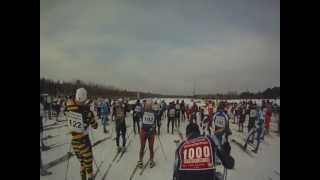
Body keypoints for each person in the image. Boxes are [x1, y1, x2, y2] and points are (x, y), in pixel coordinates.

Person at [65, 88, 98, 180]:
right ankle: (90, 177)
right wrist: (90, 113)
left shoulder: (68, 106)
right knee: (88, 161)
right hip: (83, 140)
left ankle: (82, 177)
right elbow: (95, 126)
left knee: (82, 161)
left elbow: (73, 107)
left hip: (74, 141)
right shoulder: (87, 112)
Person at [137, 99, 157, 168]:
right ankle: (140, 161)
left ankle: (151, 160)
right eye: (146, 105)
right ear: (145, 105)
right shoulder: (142, 110)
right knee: (142, 147)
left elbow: (156, 118)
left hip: (151, 132)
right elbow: (137, 111)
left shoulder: (154, 111)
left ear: (151, 105)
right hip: (143, 131)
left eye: (149, 105)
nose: (148, 106)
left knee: (151, 147)